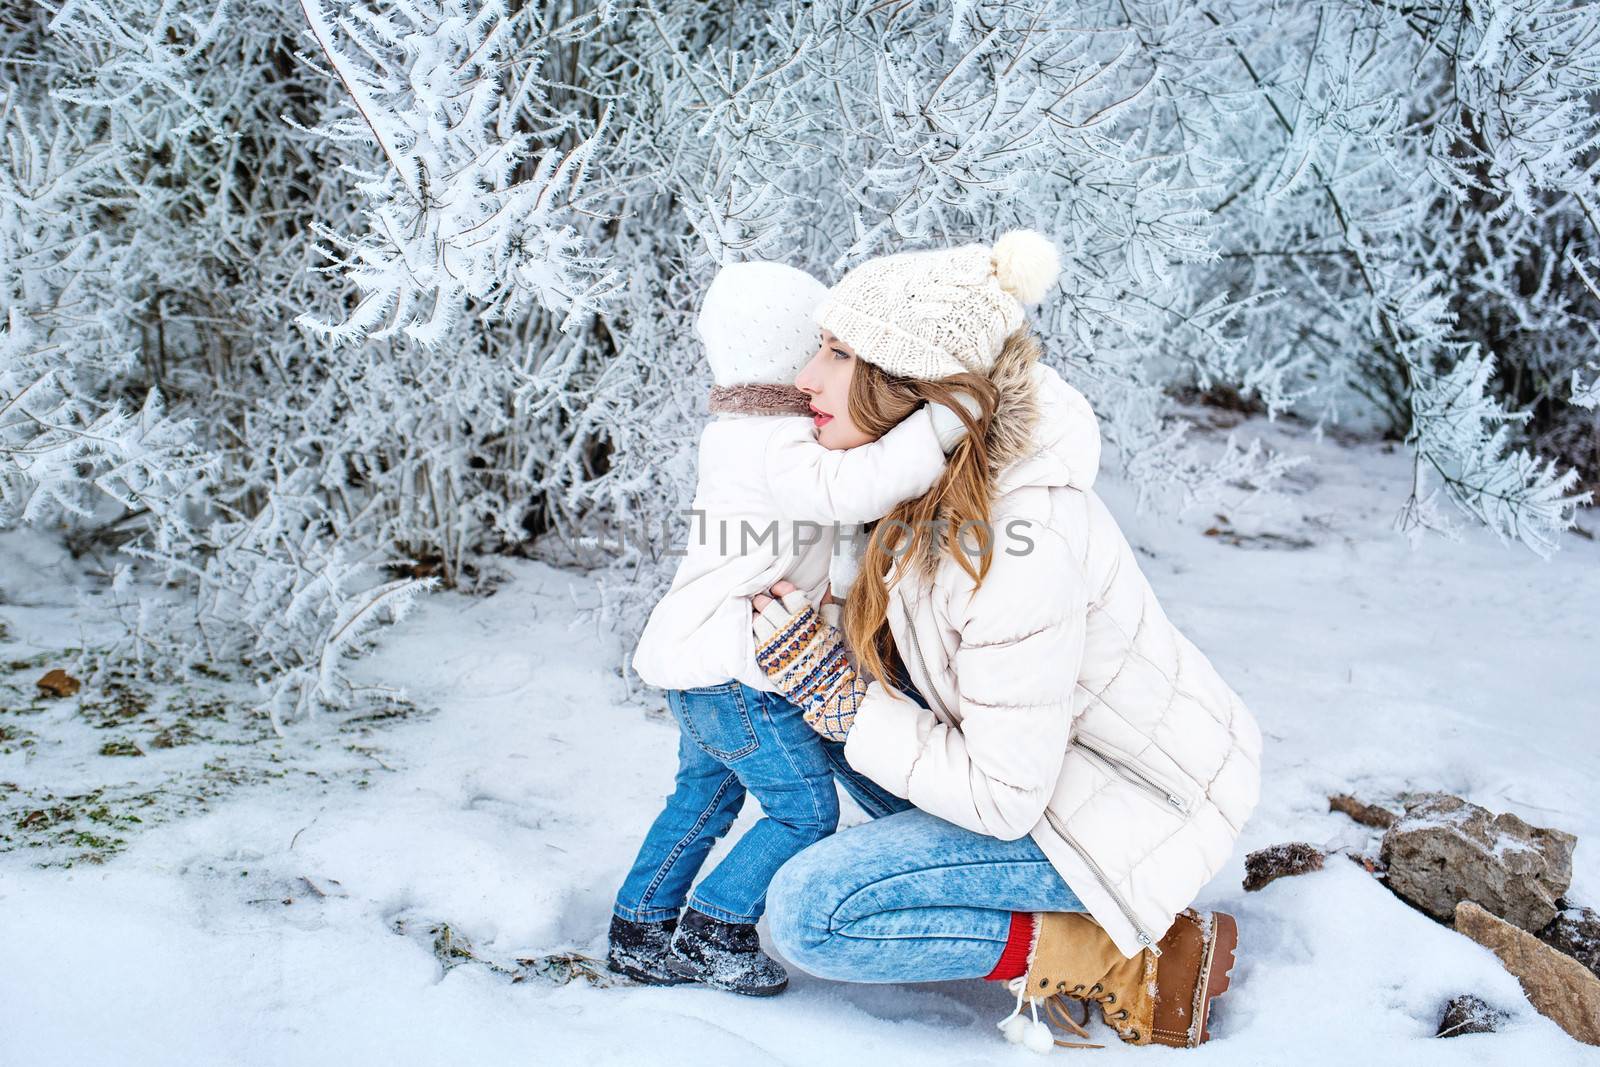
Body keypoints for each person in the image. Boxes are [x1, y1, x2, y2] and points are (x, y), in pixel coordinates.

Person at [749, 230, 1262, 1049]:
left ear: (907, 384)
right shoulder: (922, 479)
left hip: (1129, 808)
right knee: (821, 727)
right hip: (1048, 770)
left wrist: (841, 697)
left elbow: (1002, 796)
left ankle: (1117, 958)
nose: (807, 378)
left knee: (813, 913)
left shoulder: (1020, 537)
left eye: (838, 354)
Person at [612, 261, 974, 996]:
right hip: (740, 673)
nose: (818, 368)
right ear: (783, 349)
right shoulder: (773, 441)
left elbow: (820, 533)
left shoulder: (735, 432)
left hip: (700, 666)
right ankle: (718, 925)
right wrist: (938, 424)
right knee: (805, 810)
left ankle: (639, 927)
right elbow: (851, 489)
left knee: (701, 801)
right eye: (815, 344)